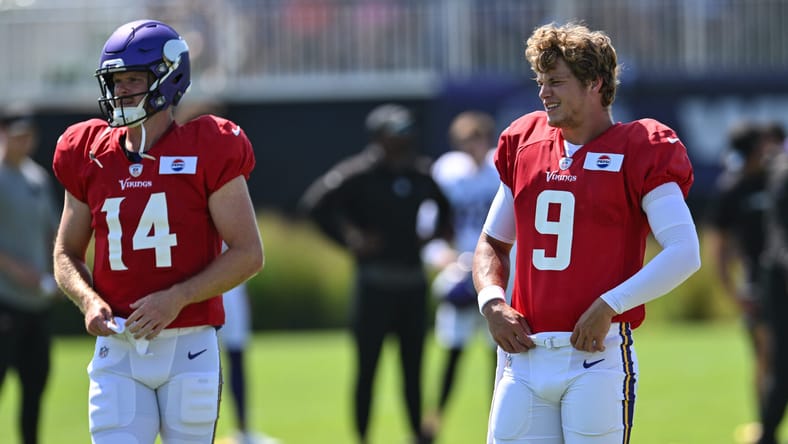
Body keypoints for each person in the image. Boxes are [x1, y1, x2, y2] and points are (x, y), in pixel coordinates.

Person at [472, 22, 701, 443]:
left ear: (594, 83)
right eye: (541, 82)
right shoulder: (524, 141)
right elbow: (492, 243)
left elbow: (684, 251)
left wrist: (610, 305)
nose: (544, 93)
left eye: (556, 82)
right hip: (524, 356)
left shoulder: (641, 146)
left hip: (596, 357)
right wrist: (492, 302)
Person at [51, 19, 264, 444]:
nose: (122, 91)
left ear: (169, 78)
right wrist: (88, 300)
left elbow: (248, 253)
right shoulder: (88, 152)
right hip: (119, 347)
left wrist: (178, 297)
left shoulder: (209, 146)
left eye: (134, 79)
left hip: (189, 346)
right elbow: (65, 253)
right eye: (116, 81)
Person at [299, 103, 453, 444]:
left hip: (412, 284)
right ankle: (363, 437)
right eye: (396, 133)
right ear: (378, 137)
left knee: (413, 369)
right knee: (368, 368)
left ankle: (417, 435)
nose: (404, 139)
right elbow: (315, 205)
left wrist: (432, 236)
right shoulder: (359, 173)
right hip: (374, 285)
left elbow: (446, 209)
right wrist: (350, 239)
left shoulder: (419, 173)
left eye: (407, 132)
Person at [421, 110, 503, 439]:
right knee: (453, 352)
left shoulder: (500, 169)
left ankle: (499, 425)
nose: (472, 147)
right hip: (459, 271)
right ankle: (433, 423)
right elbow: (428, 228)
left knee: (499, 353)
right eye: (465, 140)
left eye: (477, 139)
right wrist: (442, 258)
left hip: (497, 273)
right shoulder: (448, 172)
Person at [706, 121, 774, 441]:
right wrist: (731, 291)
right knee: (765, 357)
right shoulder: (732, 189)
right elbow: (718, 246)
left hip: (782, 278)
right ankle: (767, 425)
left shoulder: (777, 179)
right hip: (756, 285)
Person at [0, 107, 60, 444]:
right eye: (17, 135)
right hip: (4, 300)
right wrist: (17, 270)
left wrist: (59, 272)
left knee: (35, 386)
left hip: (37, 304)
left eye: (28, 136)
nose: (24, 142)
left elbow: (53, 232)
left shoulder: (37, 178)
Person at [758, 123, 788, 444]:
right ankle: (767, 434)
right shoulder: (783, 172)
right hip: (781, 282)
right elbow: (782, 238)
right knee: (782, 366)